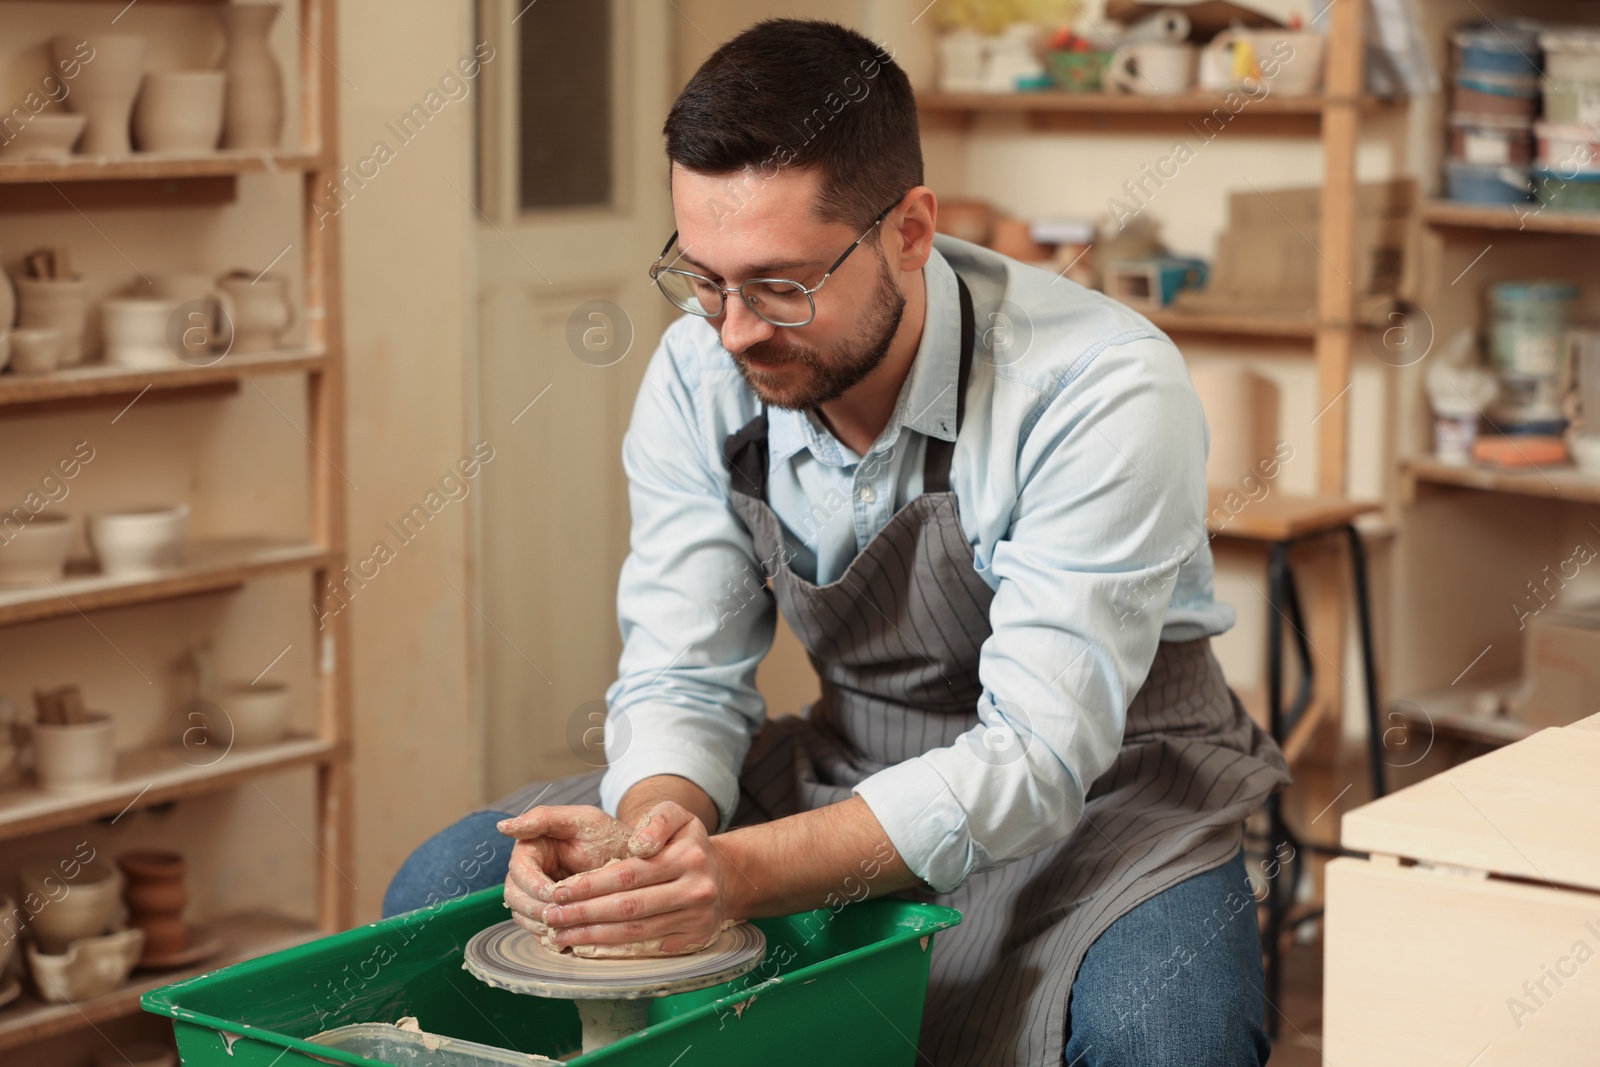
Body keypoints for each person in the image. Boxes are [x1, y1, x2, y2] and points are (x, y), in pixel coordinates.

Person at [385, 18, 1289, 1067]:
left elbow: (1039, 758)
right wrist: (656, 830)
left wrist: (733, 874)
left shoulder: (1096, 384)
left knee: (1167, 1036)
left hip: (1107, 791)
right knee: (436, 893)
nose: (732, 331)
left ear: (910, 228)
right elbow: (684, 672)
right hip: (850, 758)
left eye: (780, 286)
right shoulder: (700, 369)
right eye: (705, 278)